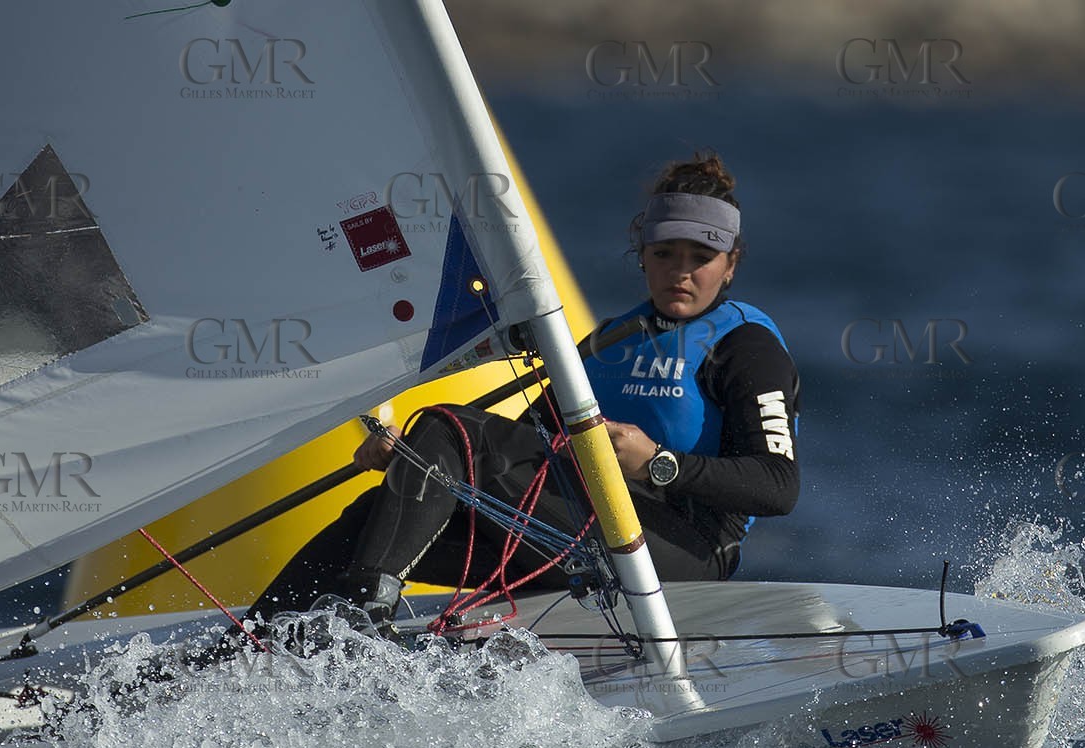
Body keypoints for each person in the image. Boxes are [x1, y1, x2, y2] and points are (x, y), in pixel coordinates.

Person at [248, 151, 800, 632]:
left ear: (730, 265)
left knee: (450, 428)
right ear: (642, 255)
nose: (681, 272)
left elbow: (778, 488)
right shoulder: (612, 340)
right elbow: (525, 442)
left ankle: (361, 626)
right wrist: (412, 461)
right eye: (664, 254)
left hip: (685, 553)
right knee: (381, 506)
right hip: (586, 534)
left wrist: (658, 464)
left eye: (700, 258)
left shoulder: (745, 346)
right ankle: (244, 648)